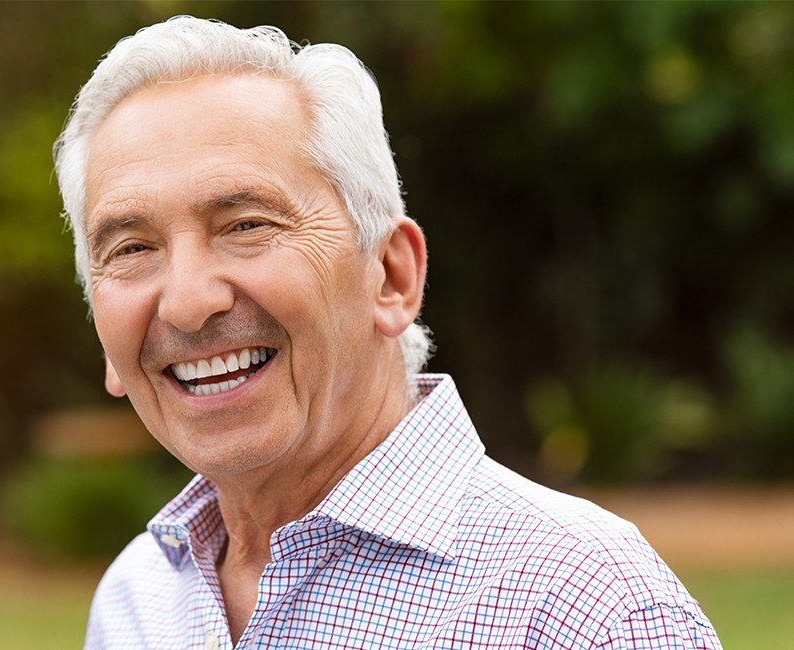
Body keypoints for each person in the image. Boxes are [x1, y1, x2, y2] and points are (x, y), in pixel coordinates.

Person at [53, 16, 722, 650]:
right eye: (133, 248)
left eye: (246, 224)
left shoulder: (585, 609)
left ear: (391, 276)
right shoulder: (137, 598)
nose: (188, 304)